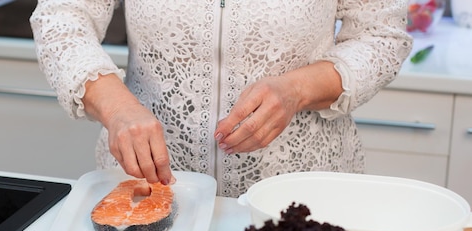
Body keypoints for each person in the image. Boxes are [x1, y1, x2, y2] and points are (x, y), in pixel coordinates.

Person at [30, 0, 412, 197]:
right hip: (148, 189)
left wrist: (297, 90)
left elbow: (382, 35)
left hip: (300, 194)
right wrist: (118, 107)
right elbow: (62, 17)